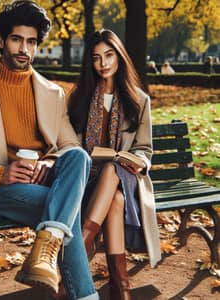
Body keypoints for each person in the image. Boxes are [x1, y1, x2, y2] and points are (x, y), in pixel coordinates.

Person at [0, 1, 98, 300]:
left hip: (43, 181)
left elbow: (70, 147)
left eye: (31, 41)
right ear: (1, 40)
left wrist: (50, 164)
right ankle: (83, 293)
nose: (24, 48)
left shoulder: (52, 93)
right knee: (64, 212)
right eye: (16, 39)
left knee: (78, 157)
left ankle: (44, 253)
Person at [68, 29, 161, 300]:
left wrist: (140, 162)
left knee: (113, 170)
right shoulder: (79, 98)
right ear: (90, 63)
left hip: (127, 176)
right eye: (96, 58)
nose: (103, 63)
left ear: (119, 56)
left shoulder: (139, 100)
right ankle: (121, 288)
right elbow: (73, 146)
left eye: (109, 55)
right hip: (88, 179)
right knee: (115, 199)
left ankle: (79, 252)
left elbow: (145, 148)